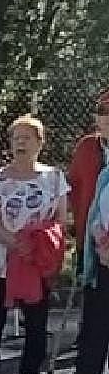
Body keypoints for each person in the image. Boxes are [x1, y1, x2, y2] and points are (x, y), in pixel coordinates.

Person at [0, 116, 68, 374]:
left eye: (27, 137)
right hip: (2, 261)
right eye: (16, 137)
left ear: (40, 143)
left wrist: (34, 244)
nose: (21, 142)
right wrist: (13, 241)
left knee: (36, 321)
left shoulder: (53, 177)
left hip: (34, 262)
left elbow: (60, 220)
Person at [63, 149, 109, 374]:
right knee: (97, 321)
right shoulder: (106, 175)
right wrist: (102, 242)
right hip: (103, 261)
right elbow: (97, 215)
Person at [68, 88, 109, 272]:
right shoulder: (86, 147)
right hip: (90, 244)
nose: (104, 117)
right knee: (93, 299)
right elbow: (73, 190)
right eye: (101, 111)